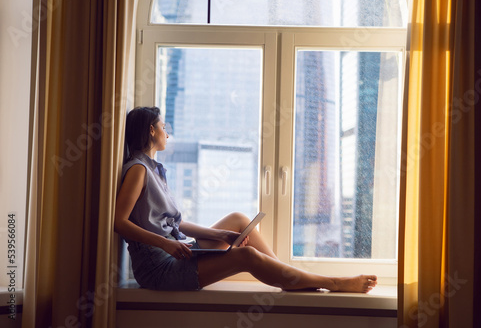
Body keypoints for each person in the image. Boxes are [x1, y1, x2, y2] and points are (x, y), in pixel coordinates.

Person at [114, 106, 377, 292]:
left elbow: (175, 224)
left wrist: (221, 236)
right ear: (151, 130)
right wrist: (165, 244)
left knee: (239, 220)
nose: (167, 133)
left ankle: (287, 275)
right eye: (163, 127)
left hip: (176, 250)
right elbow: (120, 222)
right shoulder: (138, 169)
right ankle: (332, 282)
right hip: (159, 268)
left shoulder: (154, 170)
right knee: (247, 255)